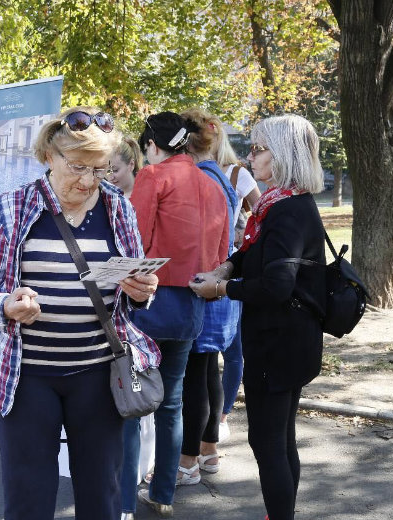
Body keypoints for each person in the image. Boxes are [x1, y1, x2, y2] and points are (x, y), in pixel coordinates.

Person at [0, 107, 161, 520]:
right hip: (24, 374)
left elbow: (131, 289)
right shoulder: (13, 208)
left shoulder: (118, 208)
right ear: (49, 155)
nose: (88, 182)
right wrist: (4, 305)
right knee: (29, 493)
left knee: (101, 491)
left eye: (100, 170)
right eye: (79, 167)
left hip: (100, 373)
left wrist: (142, 292)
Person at [190, 114, 326, 520]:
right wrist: (227, 268)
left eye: (259, 148)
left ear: (283, 154)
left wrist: (222, 289)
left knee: (268, 442)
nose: (251, 157)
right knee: (280, 439)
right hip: (289, 339)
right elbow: (256, 254)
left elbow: (276, 285)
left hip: (279, 343)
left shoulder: (287, 210)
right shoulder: (284, 203)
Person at [121, 111, 230, 518]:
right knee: (171, 402)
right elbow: (221, 256)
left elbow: (136, 242)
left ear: (151, 145)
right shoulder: (211, 183)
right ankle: (163, 494)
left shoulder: (154, 177)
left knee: (132, 404)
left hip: (147, 303)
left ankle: (122, 501)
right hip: (191, 305)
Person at [173, 107, 239, 484]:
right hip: (218, 286)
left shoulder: (200, 178)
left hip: (204, 285)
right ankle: (209, 449)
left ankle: (187, 461)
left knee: (193, 378)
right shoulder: (218, 174)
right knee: (207, 371)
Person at [215, 123, 260, 438]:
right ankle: (203, 421)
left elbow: (263, 212)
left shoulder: (236, 174)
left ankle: (222, 414)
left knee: (233, 348)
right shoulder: (188, 172)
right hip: (199, 267)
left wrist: (244, 241)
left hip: (230, 266)